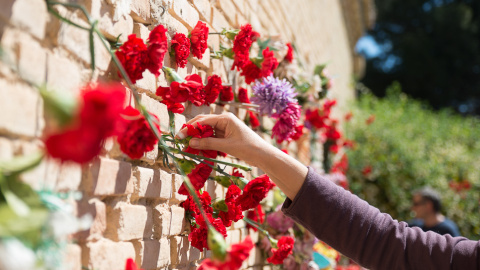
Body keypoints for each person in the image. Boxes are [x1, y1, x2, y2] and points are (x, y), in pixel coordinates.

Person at [177, 113, 480, 270]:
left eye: (417, 202)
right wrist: (259, 153)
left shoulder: (447, 230)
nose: (414, 206)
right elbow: (385, 241)